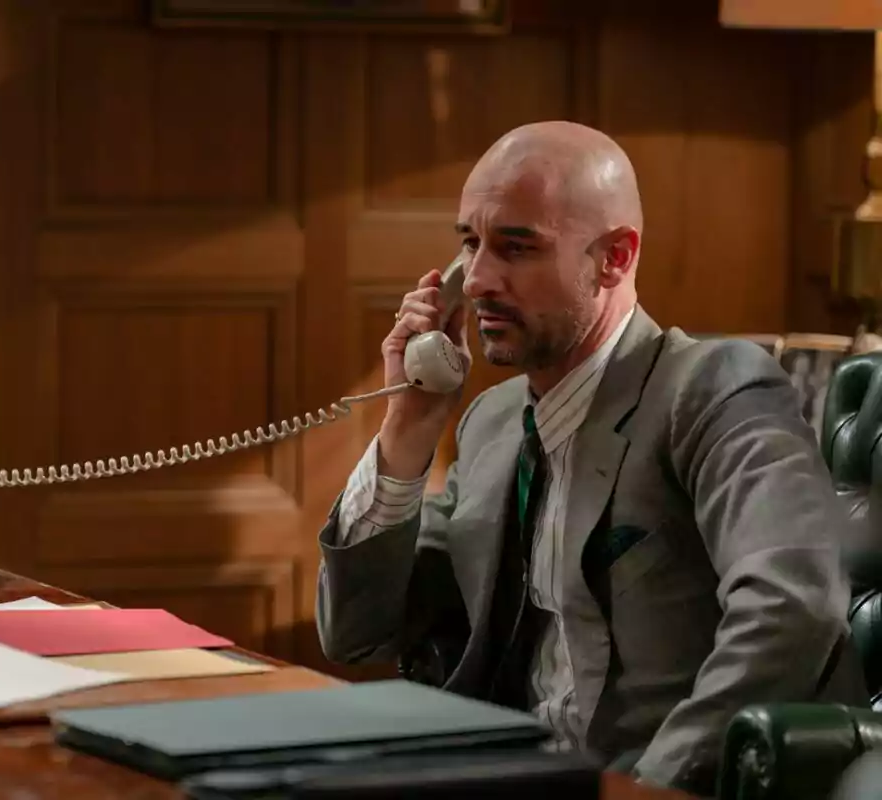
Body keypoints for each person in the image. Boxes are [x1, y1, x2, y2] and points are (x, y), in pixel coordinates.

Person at [314, 120, 867, 794]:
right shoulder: (493, 423)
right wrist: (407, 429)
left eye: (516, 248)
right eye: (470, 244)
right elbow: (357, 633)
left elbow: (793, 608)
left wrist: (647, 792)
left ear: (614, 258)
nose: (481, 278)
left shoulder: (714, 389)